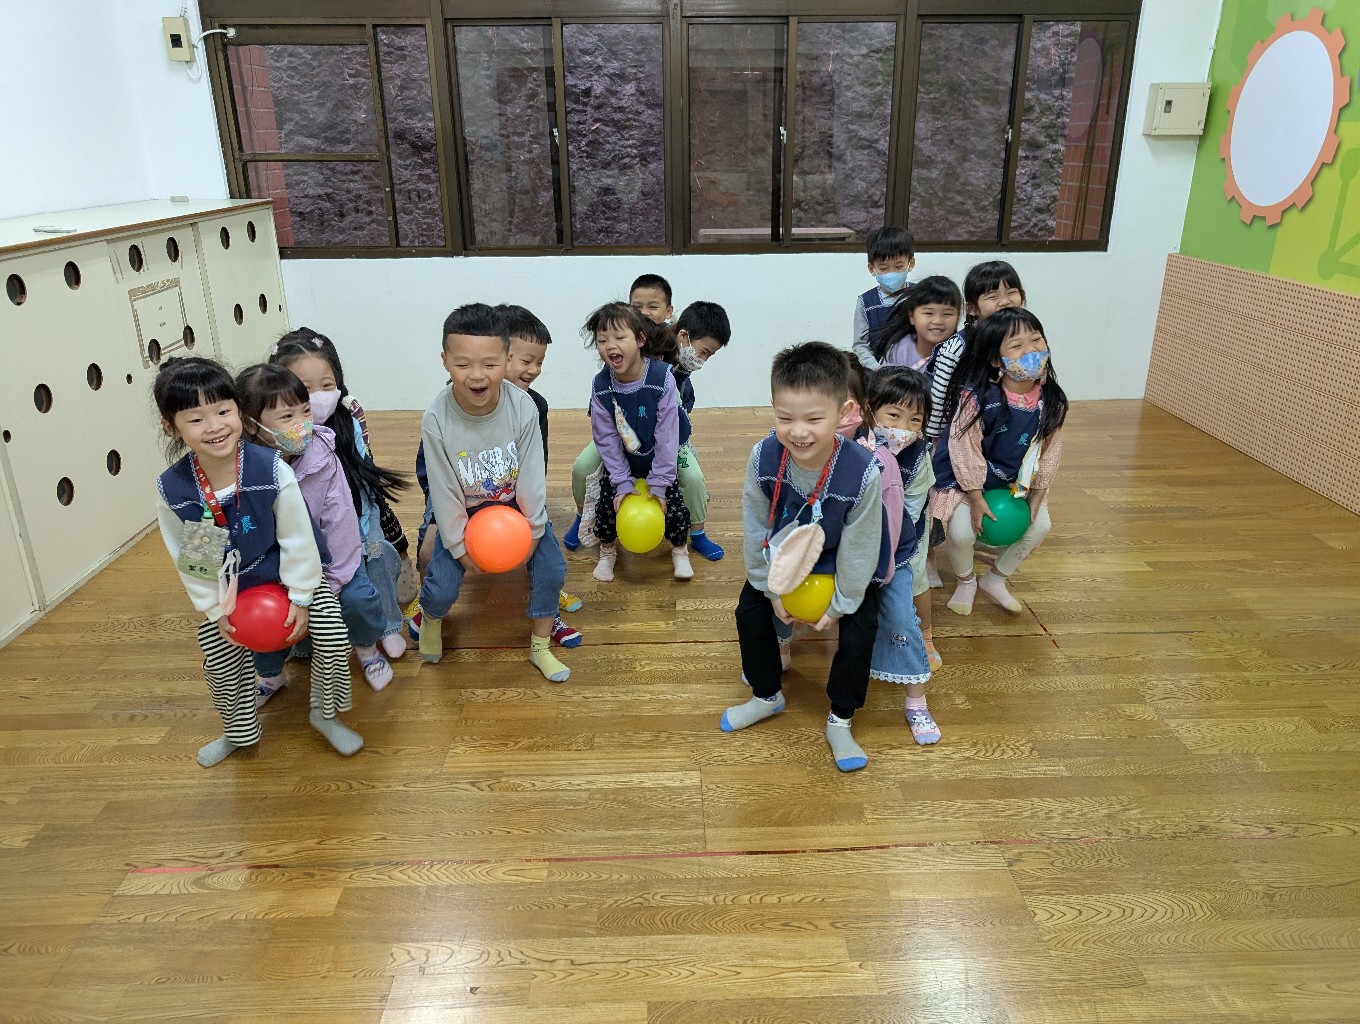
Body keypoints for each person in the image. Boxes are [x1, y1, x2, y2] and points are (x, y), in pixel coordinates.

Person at [152, 356, 362, 767]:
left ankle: (325, 714)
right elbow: (195, 561)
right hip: (231, 589)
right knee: (219, 659)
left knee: (334, 637)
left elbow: (297, 538)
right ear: (171, 427)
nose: (214, 426)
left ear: (240, 412)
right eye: (195, 419)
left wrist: (301, 597)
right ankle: (238, 730)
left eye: (223, 411)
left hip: (288, 576)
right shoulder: (177, 489)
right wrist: (216, 611)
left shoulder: (270, 468)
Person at [723, 341, 886, 772]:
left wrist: (840, 604)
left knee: (861, 628)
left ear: (844, 412)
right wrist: (770, 590)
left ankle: (841, 718)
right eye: (785, 418)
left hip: (839, 563)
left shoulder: (863, 471)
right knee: (749, 611)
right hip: (784, 559)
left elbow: (860, 547)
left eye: (814, 419)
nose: (799, 432)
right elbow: (755, 529)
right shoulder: (763, 457)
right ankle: (766, 695)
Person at [417, 303, 571, 683]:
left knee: (552, 568)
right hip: (466, 511)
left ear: (506, 360)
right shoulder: (436, 418)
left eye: (489, 363)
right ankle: (431, 620)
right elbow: (443, 489)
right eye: (463, 364)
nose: (477, 375)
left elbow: (532, 475)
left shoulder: (523, 407)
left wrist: (534, 531)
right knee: (441, 583)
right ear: (445, 361)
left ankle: (540, 645)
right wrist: (457, 545)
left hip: (515, 507)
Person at [237, 362, 395, 703]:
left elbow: (340, 523)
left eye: (305, 411)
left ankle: (366, 648)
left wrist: (331, 583)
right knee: (257, 615)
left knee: (358, 599)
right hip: (271, 570)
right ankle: (271, 674)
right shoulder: (232, 470)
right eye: (287, 417)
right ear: (250, 424)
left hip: (328, 563)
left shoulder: (321, 455)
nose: (302, 424)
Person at [267, 330, 411, 675]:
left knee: (371, 566)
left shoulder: (343, 424)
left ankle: (384, 629)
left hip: (351, 520)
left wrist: (367, 533)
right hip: (292, 543)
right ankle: (286, 657)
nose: (317, 398)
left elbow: (362, 482)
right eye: (305, 389)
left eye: (326, 386)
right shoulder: (264, 443)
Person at [566, 289, 732, 562]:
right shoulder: (623, 362)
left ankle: (698, 533)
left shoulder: (672, 372)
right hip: (623, 431)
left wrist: (663, 474)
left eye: (708, 355)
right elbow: (605, 428)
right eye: (703, 352)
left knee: (692, 477)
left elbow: (672, 428)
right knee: (583, 467)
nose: (702, 360)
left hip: (665, 435)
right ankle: (584, 516)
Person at [931, 307, 1067, 616]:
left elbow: (1051, 451)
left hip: (1015, 481)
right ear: (996, 360)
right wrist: (976, 497)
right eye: (1017, 346)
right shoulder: (977, 398)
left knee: (1040, 526)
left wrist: (1038, 494)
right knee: (961, 533)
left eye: (1036, 340)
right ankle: (966, 581)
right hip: (969, 481)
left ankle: (995, 578)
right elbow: (963, 449)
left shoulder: (1052, 400)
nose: (1031, 351)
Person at [584, 301, 695, 582]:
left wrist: (660, 480)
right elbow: (606, 438)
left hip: (658, 459)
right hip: (624, 461)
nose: (610, 346)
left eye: (620, 337)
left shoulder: (661, 378)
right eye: (602, 340)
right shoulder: (601, 386)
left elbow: (668, 435)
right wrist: (621, 480)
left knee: (674, 506)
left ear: (640, 339)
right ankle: (607, 552)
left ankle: (679, 550)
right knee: (607, 505)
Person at [498, 303, 585, 648]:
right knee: (432, 544)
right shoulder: (456, 403)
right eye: (526, 360)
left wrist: (526, 504)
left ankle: (547, 610)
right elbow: (431, 469)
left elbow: (538, 464)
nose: (534, 370)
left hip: (517, 495)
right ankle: (430, 606)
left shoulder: (537, 405)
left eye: (540, 362)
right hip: (468, 498)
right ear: (499, 354)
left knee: (549, 559)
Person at [866, 366, 940, 741]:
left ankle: (917, 702)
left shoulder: (919, 456)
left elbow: (909, 513)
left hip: (896, 550)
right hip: (851, 549)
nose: (903, 428)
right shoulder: (854, 444)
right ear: (870, 410)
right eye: (893, 415)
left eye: (915, 420)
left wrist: (888, 554)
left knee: (900, 617)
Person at [925, 261, 1027, 444]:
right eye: (993, 296)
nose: (1005, 301)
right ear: (971, 308)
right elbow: (939, 399)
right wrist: (935, 442)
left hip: (1005, 431)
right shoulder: (956, 348)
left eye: (1011, 292)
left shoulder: (1026, 341)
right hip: (961, 435)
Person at [866, 276, 963, 373]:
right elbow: (886, 381)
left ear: (958, 317)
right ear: (912, 317)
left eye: (947, 314)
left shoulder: (961, 353)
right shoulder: (900, 351)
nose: (937, 321)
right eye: (928, 313)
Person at [851, 226, 916, 371]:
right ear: (871, 268)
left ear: (910, 263)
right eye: (884, 268)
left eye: (898, 266)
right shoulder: (866, 302)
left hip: (917, 371)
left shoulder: (921, 295)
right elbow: (860, 345)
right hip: (878, 374)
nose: (891, 273)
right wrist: (877, 368)